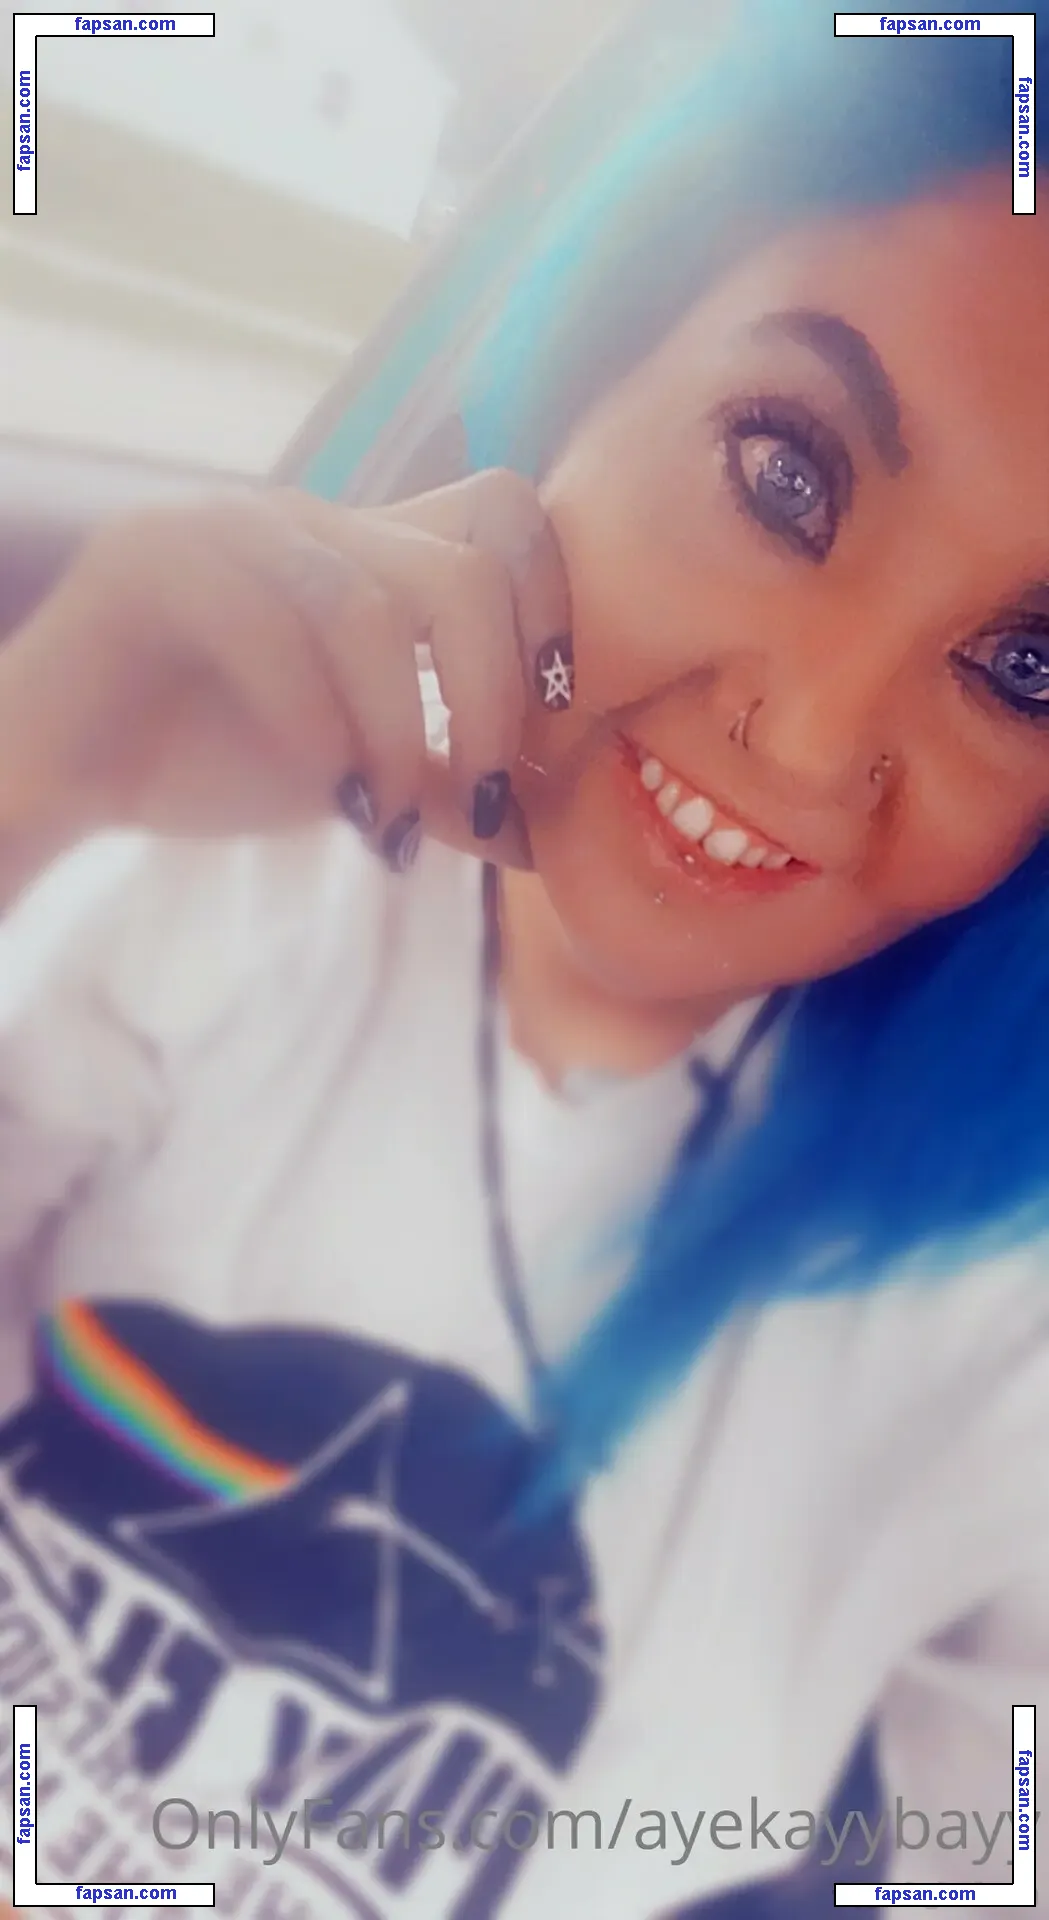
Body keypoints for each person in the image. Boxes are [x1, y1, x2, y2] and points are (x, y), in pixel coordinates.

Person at [0, 4, 1046, 1917]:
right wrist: (34, 773)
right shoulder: (228, 881)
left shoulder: (994, 1316)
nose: (814, 738)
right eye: (786, 474)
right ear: (591, 363)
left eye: (1028, 668)